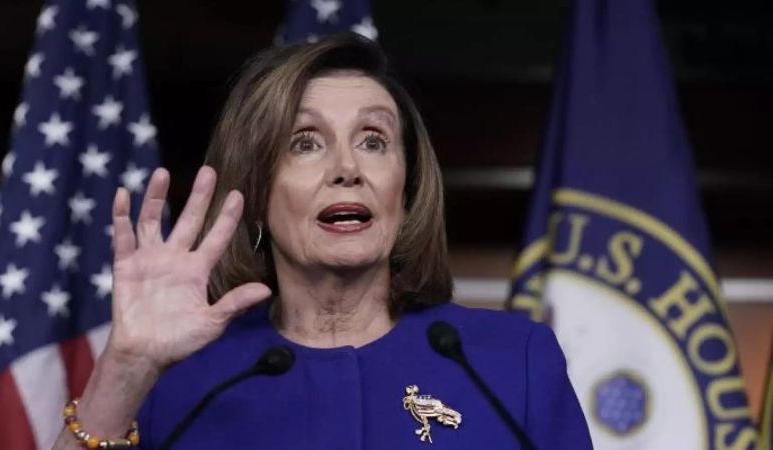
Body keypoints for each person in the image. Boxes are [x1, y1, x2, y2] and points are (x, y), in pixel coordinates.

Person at [52, 33, 592, 450]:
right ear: (257, 190)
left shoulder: (509, 363)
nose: (347, 168)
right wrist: (125, 370)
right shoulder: (174, 380)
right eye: (305, 143)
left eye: (374, 140)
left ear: (406, 188)